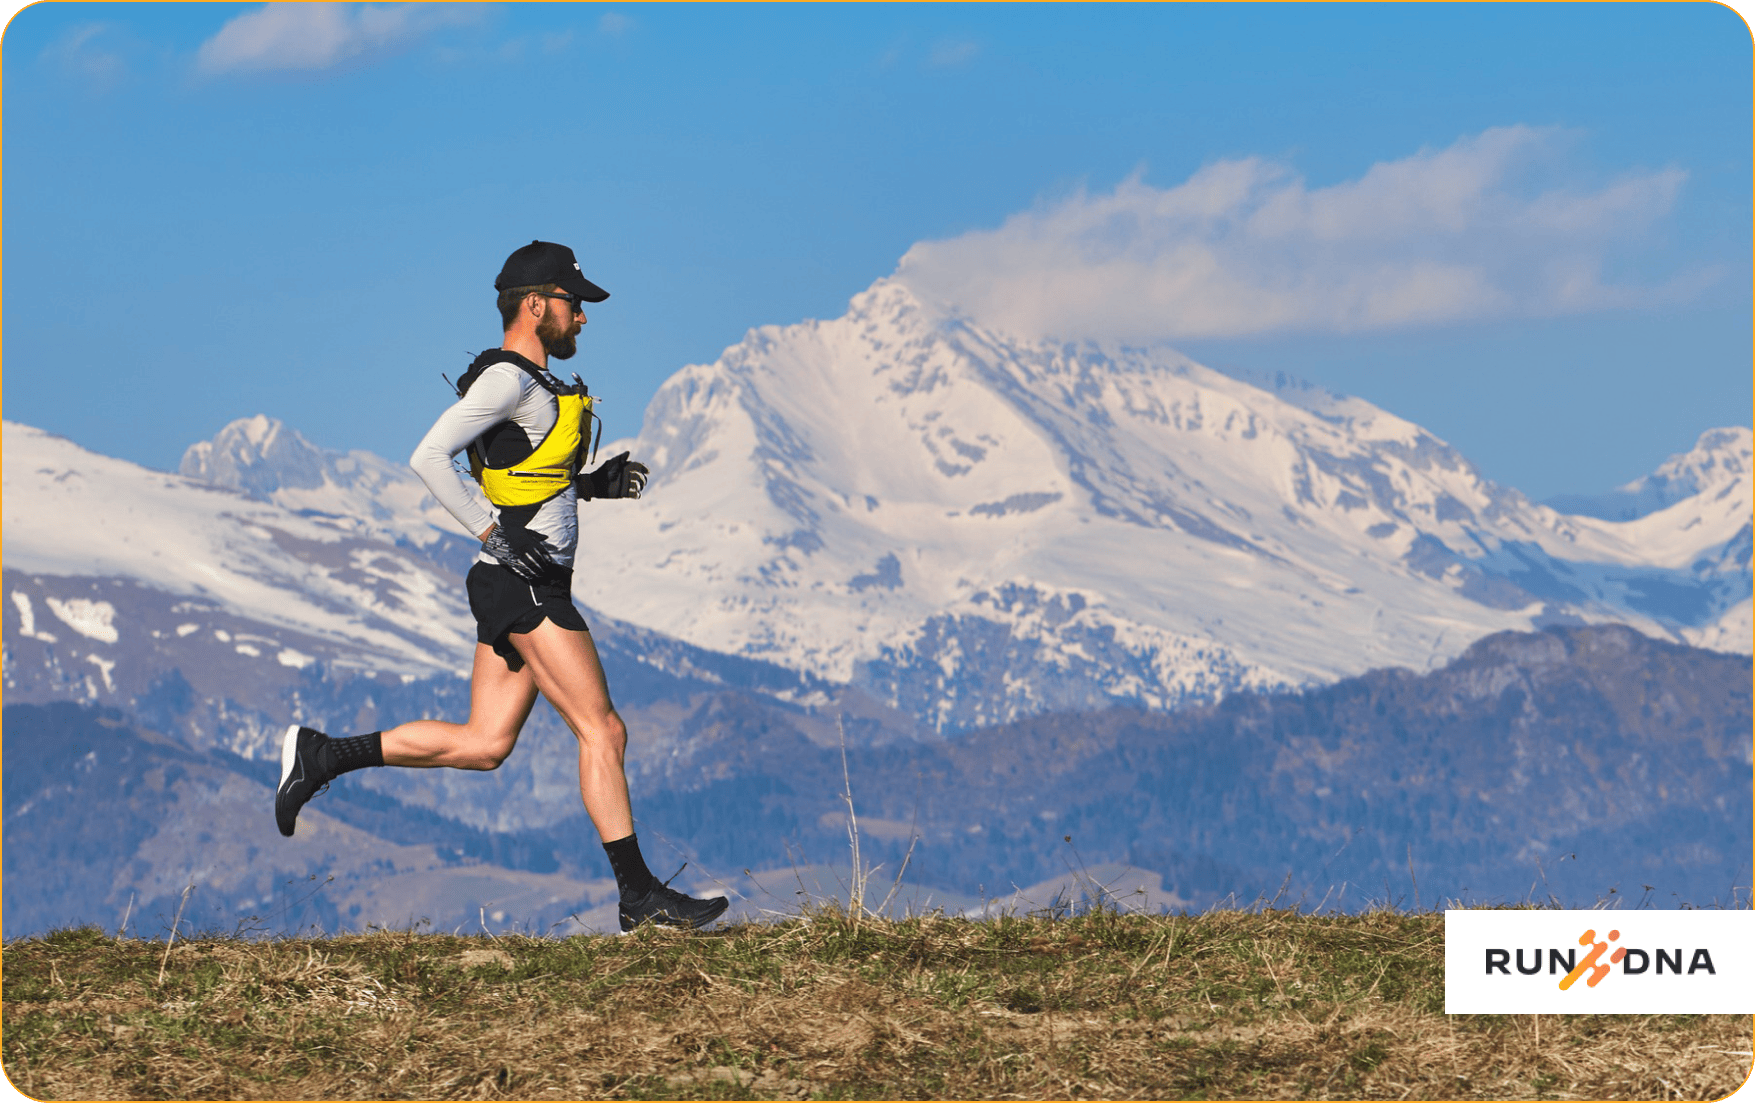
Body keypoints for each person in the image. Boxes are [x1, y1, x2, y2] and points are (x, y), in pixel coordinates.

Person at [273, 240, 728, 933]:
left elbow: (525, 477)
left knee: (484, 743)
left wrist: (591, 486)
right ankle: (639, 897)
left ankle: (323, 754)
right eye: (575, 304)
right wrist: (490, 532)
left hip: (510, 580)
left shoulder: (537, 387)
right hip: (525, 582)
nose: (583, 318)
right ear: (536, 304)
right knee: (602, 728)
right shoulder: (508, 381)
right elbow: (428, 458)